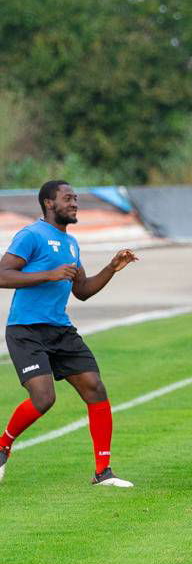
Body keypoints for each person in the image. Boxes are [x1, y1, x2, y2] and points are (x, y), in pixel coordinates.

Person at [0, 181, 137, 486]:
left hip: (60, 329)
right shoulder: (31, 235)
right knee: (44, 398)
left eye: (75, 198)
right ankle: (2, 447)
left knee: (95, 388)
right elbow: (2, 274)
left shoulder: (72, 243)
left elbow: (83, 291)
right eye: (68, 198)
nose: (74, 203)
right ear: (49, 203)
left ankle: (103, 472)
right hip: (26, 330)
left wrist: (112, 268)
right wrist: (47, 275)